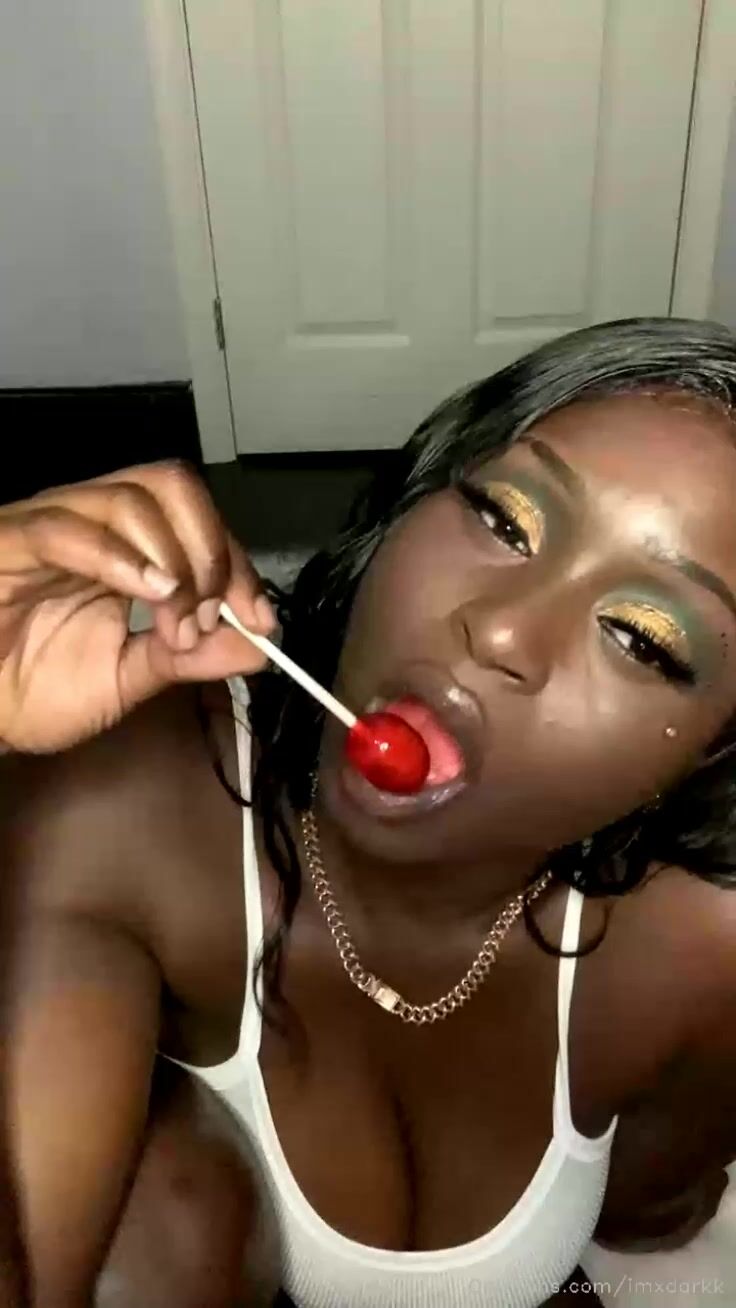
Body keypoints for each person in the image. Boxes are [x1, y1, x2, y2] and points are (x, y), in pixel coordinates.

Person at [3, 317, 736, 1308]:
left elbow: (653, 1217)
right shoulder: (127, 794)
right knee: (164, 1224)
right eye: (504, 519)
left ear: (709, 759)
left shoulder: (700, 950)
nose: (501, 628)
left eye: (641, 638)